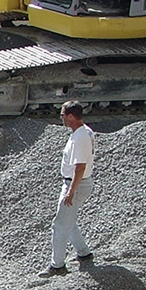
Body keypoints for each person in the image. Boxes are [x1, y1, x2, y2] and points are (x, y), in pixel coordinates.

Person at [39, 100, 95, 278]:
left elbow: (80, 167)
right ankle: (84, 253)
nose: (61, 117)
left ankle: (57, 265)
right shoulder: (84, 132)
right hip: (77, 183)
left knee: (60, 225)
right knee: (68, 222)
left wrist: (71, 191)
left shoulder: (80, 138)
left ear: (71, 116)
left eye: (62, 114)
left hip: (76, 184)